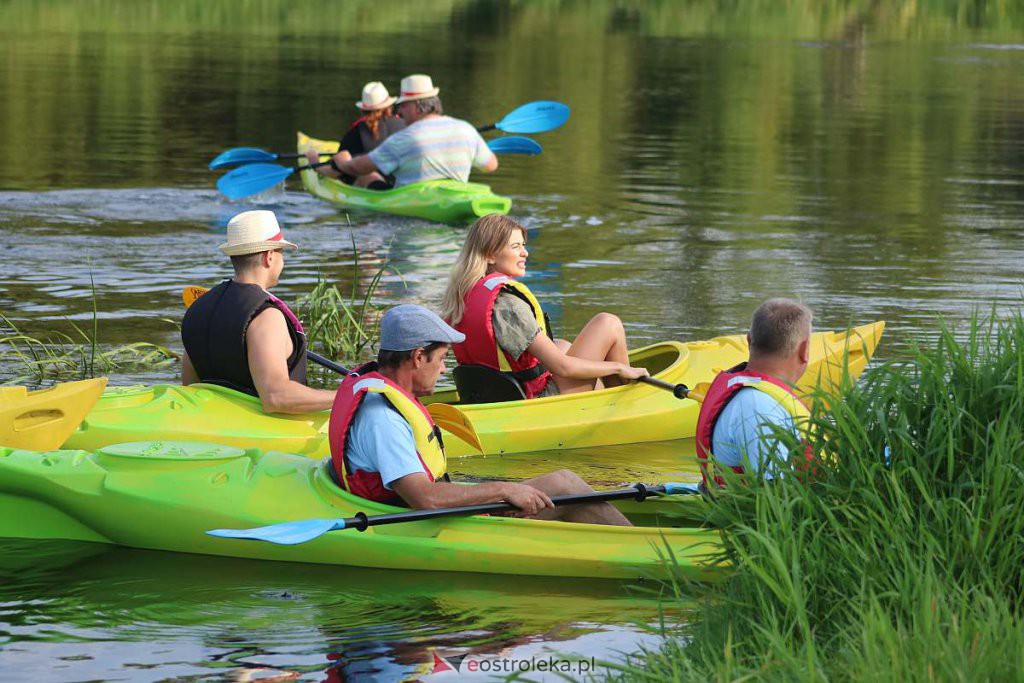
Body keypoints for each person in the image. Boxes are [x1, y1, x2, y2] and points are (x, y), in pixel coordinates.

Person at [328, 304, 631, 525]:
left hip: (420, 510)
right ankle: (642, 553)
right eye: (442, 359)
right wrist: (503, 490)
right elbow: (425, 498)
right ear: (419, 357)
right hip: (424, 525)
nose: (445, 369)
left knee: (564, 483)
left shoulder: (380, 395)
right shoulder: (384, 419)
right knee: (566, 485)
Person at [440, 214, 650, 399]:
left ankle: (604, 393)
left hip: (493, 392)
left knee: (561, 345)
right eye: (516, 246)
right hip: (535, 399)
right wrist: (619, 367)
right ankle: (622, 401)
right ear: (490, 255)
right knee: (608, 323)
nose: (525, 253)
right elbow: (563, 368)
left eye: (523, 245)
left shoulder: (463, 294)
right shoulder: (508, 305)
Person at [181, 210, 336, 414]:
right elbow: (276, 397)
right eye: (282, 253)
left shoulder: (198, 309)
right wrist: (347, 393)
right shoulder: (267, 316)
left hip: (208, 423)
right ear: (269, 256)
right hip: (268, 438)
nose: (283, 262)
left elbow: (190, 387)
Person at [695, 298, 814, 488]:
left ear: (749, 340)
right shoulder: (760, 407)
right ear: (804, 350)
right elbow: (774, 496)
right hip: (754, 515)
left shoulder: (759, 399)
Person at [315, 74, 498, 189]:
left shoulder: (405, 138)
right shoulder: (465, 128)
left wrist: (343, 163)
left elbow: (358, 168)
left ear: (417, 107)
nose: (399, 112)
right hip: (455, 196)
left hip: (409, 203)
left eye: (403, 106)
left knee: (367, 176)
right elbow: (491, 165)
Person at [304, 81, 405, 189]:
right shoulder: (405, 126)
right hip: (401, 187)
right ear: (389, 106)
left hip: (374, 189)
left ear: (363, 110)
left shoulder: (355, 134)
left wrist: (315, 164)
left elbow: (336, 172)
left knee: (365, 173)